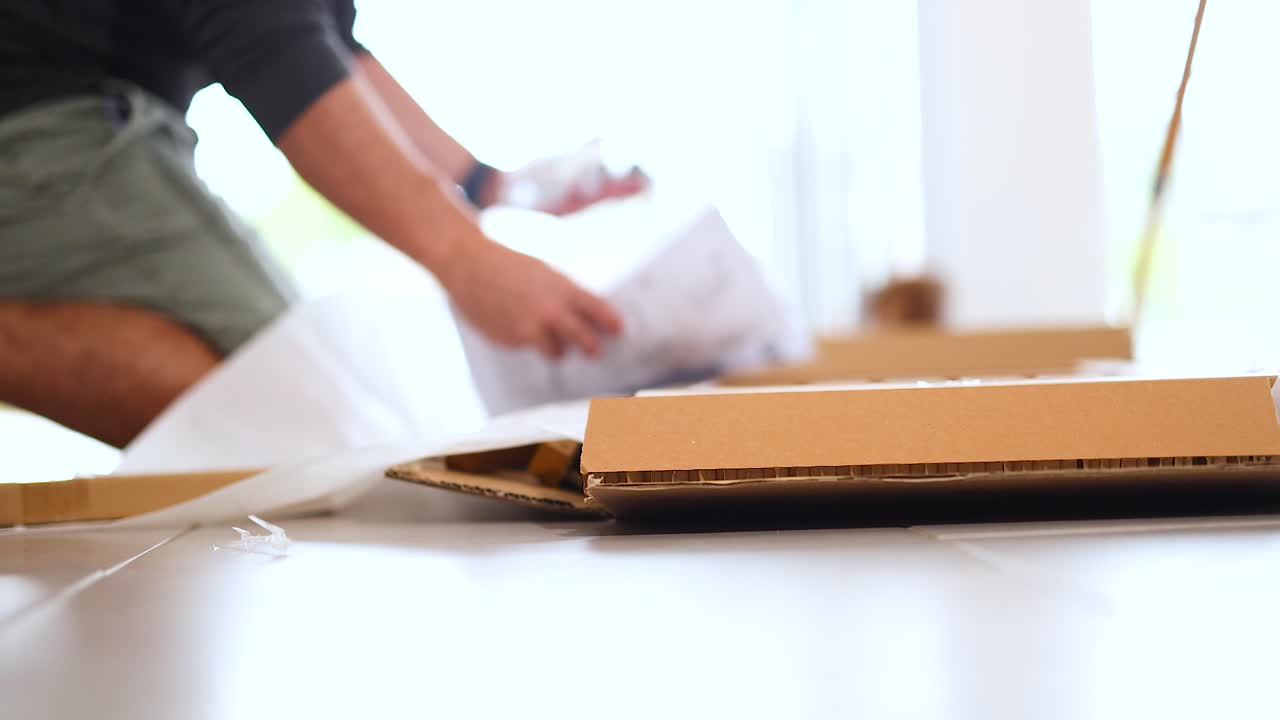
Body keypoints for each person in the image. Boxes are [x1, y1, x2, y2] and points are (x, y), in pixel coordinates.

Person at [0, 1, 649, 448]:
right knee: (295, 420)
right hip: (41, 124)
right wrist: (462, 256)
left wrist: (487, 184)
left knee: (313, 411)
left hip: (83, 121)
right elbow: (274, 48)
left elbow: (327, 45)